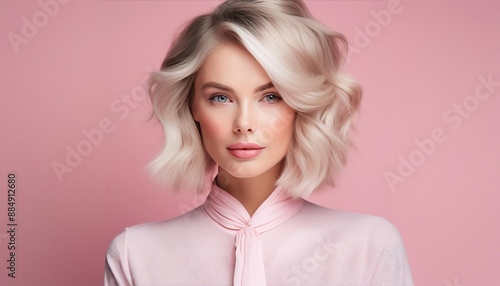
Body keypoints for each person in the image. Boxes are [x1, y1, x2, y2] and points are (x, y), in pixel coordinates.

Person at [105, 0, 414, 285]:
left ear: (299, 105)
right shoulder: (136, 254)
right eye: (221, 97)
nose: (244, 124)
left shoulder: (368, 246)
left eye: (270, 97)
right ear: (193, 107)